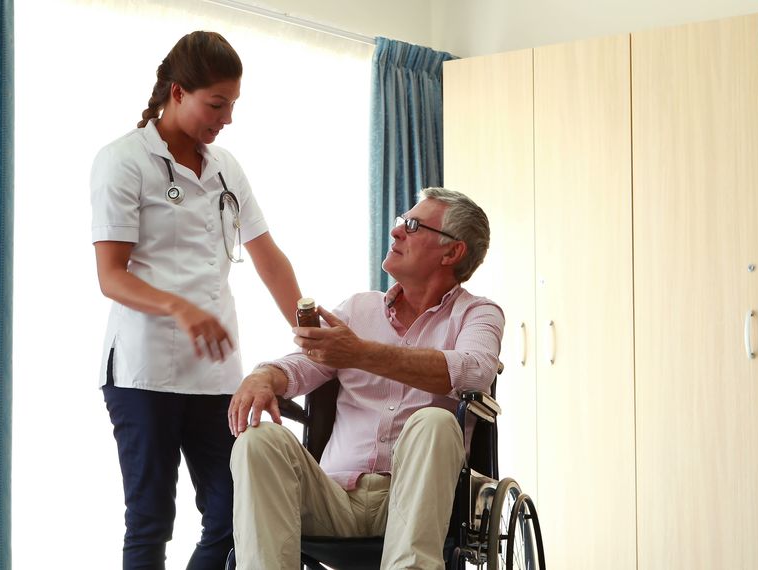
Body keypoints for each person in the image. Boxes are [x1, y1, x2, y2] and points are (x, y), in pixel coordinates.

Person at [90, 31, 302, 569]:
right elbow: (111, 276)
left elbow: (267, 255)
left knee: (234, 513)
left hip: (215, 375)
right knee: (151, 519)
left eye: (232, 104)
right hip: (145, 369)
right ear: (178, 92)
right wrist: (180, 308)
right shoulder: (124, 160)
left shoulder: (226, 165)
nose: (227, 117)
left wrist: (306, 326)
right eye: (217, 103)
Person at [227, 187, 504, 569]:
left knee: (436, 420)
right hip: (332, 498)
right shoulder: (359, 309)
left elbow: (475, 370)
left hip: (416, 500)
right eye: (399, 223)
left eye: (412, 225)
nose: (396, 232)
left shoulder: (478, 314)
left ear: (452, 252)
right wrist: (264, 376)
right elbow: (300, 364)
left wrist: (361, 353)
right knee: (257, 440)